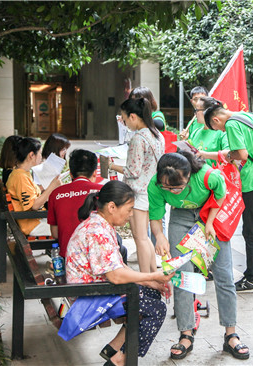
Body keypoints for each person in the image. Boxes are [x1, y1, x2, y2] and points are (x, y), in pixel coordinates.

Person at [148, 151, 250, 360]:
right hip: (180, 217)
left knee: (224, 274)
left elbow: (221, 193)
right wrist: (159, 236)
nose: (173, 191)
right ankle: (186, 334)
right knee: (182, 277)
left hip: (210, 214)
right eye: (167, 188)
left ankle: (231, 335)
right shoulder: (155, 185)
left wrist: (210, 222)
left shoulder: (207, 175)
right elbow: (156, 216)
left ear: (189, 175)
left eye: (178, 187)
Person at [65, 180, 173, 366]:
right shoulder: (97, 232)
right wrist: (153, 276)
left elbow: (118, 268)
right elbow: (115, 276)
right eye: (129, 209)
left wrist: (150, 283)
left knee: (152, 293)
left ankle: (114, 347)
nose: (131, 214)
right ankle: (119, 360)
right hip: (91, 296)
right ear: (112, 207)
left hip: (97, 288)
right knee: (156, 311)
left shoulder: (100, 224)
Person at [203, 97, 253, 293]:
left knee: (251, 232)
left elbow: (242, 154)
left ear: (216, 120)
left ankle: (252, 280)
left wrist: (228, 155)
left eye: (218, 129)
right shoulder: (248, 115)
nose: (222, 131)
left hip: (252, 181)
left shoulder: (232, 124)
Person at [109, 98, 164, 273]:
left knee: (140, 238)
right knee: (145, 238)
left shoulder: (138, 138)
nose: (124, 124)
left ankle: (146, 280)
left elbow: (132, 171)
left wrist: (111, 166)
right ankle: (153, 276)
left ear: (133, 116)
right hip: (153, 191)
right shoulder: (157, 134)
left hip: (139, 192)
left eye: (124, 120)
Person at [47, 149, 127, 262]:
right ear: (95, 172)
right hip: (98, 255)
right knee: (121, 247)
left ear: (70, 173)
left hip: (68, 255)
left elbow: (55, 234)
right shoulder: (102, 191)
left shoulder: (56, 194)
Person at [6, 137, 62, 236]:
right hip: (32, 224)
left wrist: (48, 186)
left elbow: (31, 193)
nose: (41, 156)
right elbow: (34, 206)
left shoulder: (21, 173)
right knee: (68, 228)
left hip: (35, 219)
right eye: (39, 153)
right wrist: (52, 187)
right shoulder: (20, 177)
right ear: (31, 155)